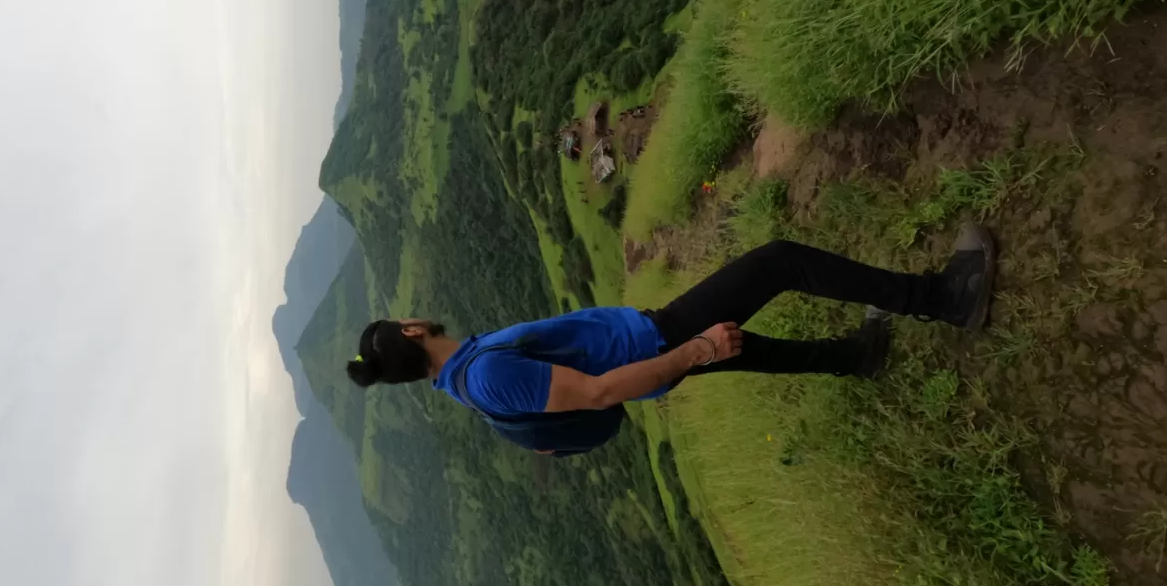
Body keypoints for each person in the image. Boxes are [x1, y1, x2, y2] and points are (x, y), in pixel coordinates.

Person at [345, 224, 997, 453]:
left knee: (749, 347)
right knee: (777, 263)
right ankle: (944, 298)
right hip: (656, 346)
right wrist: (692, 351)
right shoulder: (484, 377)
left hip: (652, 343)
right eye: (408, 315)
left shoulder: (467, 373)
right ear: (410, 331)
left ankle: (856, 357)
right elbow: (598, 395)